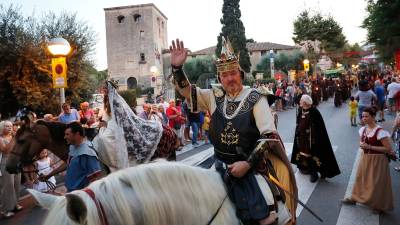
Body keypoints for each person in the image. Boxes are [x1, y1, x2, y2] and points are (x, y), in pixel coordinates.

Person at [170, 38, 296, 225]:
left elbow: (268, 137)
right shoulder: (214, 95)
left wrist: (246, 164)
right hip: (219, 163)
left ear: (241, 74)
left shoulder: (256, 97)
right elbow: (187, 91)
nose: (230, 78)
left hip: (251, 166)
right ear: (219, 78)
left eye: (233, 73)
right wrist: (177, 68)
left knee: (265, 216)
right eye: (225, 75)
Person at [342, 107, 397, 214]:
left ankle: (379, 205)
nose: (364, 118)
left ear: (373, 116)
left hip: (378, 160)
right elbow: (362, 143)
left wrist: (370, 147)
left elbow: (388, 149)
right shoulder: (363, 129)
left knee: (377, 182)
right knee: (361, 178)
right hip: (366, 157)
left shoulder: (380, 131)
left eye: (366, 116)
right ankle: (355, 197)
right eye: (363, 116)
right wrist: (363, 146)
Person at [40, 122, 102, 192]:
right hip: (71, 191)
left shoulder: (87, 153)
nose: (64, 137)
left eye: (67, 134)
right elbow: (68, 163)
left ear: (77, 134)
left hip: (80, 194)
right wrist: (48, 175)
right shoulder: (73, 147)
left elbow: (94, 178)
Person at [291, 95, 341, 182]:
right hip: (302, 138)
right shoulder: (300, 110)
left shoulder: (314, 112)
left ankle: (313, 172)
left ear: (305, 103)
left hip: (312, 139)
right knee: (302, 153)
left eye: (301, 101)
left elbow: (319, 128)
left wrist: (314, 136)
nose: (299, 102)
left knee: (313, 154)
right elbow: (298, 122)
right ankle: (304, 167)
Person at [0, 121, 22, 218]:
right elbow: (5, 150)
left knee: (17, 184)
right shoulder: (1, 138)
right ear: (1, 127)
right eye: (6, 126)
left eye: (10, 126)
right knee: (8, 186)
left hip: (16, 162)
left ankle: (15, 204)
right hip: (6, 162)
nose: (9, 128)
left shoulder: (14, 137)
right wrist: (14, 138)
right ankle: (6, 209)